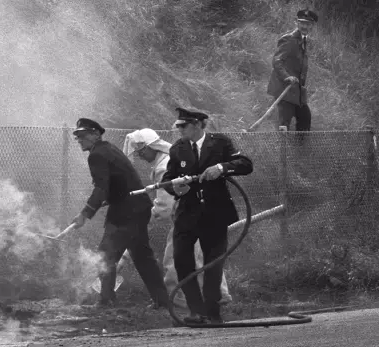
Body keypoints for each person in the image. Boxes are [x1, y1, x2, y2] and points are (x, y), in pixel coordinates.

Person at [119, 129, 233, 306]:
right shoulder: (171, 159)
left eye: (142, 152)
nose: (141, 156)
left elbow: (165, 207)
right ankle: (220, 294)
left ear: (151, 147)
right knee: (204, 255)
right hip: (200, 213)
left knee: (174, 258)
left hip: (188, 217)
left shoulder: (164, 166)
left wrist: (146, 217)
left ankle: (178, 299)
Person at [161, 108, 253, 325]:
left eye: (183, 126)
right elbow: (168, 179)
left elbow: (245, 164)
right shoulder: (178, 149)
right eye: (179, 126)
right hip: (187, 214)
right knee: (182, 261)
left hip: (215, 213)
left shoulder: (220, 143)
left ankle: (212, 313)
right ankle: (196, 311)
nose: (179, 130)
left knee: (213, 265)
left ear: (197, 125)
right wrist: (177, 188)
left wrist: (221, 168)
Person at [67, 118, 171, 309]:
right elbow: (118, 183)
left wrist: (85, 214)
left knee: (105, 256)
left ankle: (106, 301)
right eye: (77, 136)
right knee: (142, 256)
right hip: (137, 208)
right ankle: (162, 301)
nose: (79, 139)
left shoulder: (96, 155)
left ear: (96, 134)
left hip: (126, 212)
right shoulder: (108, 149)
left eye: (83, 135)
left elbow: (101, 188)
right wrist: (105, 200)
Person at [267, 9, 318, 132]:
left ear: (311, 26)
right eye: (302, 23)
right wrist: (286, 77)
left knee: (305, 120)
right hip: (284, 91)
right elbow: (277, 61)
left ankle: (299, 150)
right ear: (297, 23)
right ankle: (282, 151)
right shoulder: (289, 39)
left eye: (308, 24)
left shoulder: (305, 41)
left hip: (297, 93)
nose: (304, 26)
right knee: (284, 127)